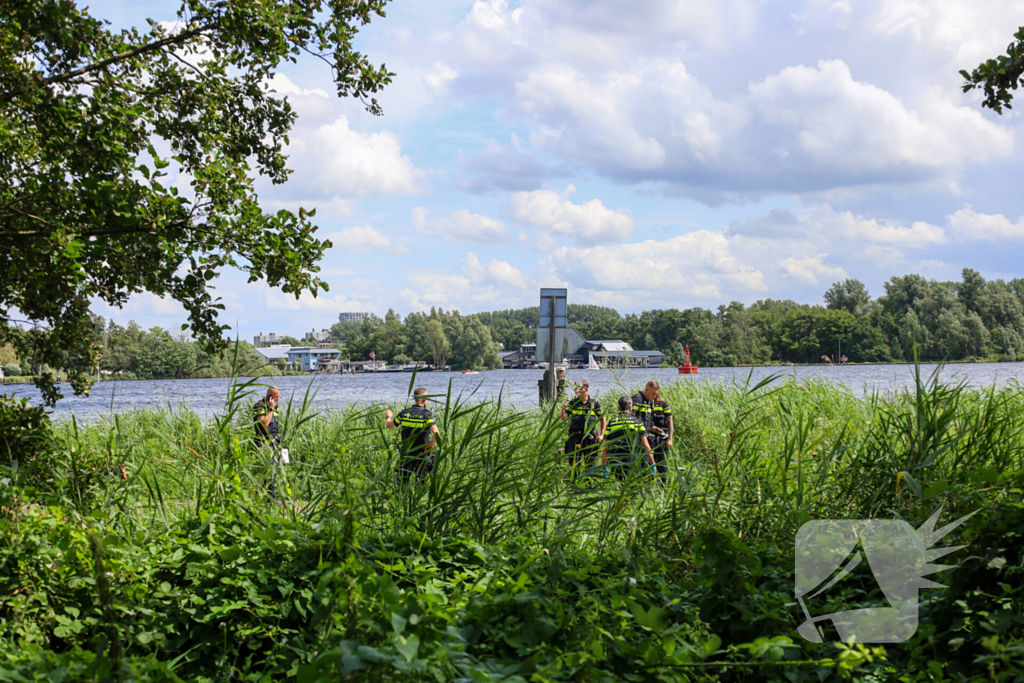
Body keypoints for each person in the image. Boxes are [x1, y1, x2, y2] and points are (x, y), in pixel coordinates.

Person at [385, 387, 440, 484]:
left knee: (402, 484)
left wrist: (388, 416)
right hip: (422, 455)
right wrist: (431, 444)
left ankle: (401, 498)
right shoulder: (427, 415)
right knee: (420, 485)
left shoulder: (405, 413)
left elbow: (389, 425)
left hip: (406, 454)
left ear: (415, 398)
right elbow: (436, 434)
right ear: (425, 399)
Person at [601, 395, 654, 481]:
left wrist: (604, 466)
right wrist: (652, 463)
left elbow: (606, 448)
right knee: (635, 487)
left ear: (618, 408)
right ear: (630, 408)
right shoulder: (637, 422)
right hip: (633, 460)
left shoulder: (612, 423)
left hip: (616, 461)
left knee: (621, 487)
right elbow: (645, 445)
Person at [631, 380, 674, 481]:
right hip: (637, 440)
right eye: (653, 393)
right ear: (646, 389)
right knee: (642, 467)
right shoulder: (637, 400)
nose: (655, 396)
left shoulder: (649, 402)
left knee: (652, 466)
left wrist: (656, 429)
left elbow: (648, 422)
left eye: (656, 394)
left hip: (646, 438)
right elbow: (630, 418)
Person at [559, 380, 606, 471]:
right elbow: (563, 418)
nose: (577, 391)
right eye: (575, 389)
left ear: (586, 389)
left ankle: (590, 483)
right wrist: (562, 409)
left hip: (590, 439)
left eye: (579, 389)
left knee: (591, 465)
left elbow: (603, 419)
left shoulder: (594, 403)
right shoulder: (573, 403)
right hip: (575, 439)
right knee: (574, 466)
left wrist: (602, 435)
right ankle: (574, 483)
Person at [253, 386, 282, 498]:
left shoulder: (276, 407)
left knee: (274, 472)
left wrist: (278, 443)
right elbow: (264, 424)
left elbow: (274, 426)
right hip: (263, 444)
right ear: (269, 395)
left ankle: (270, 498)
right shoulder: (259, 406)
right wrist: (270, 409)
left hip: (273, 443)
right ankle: (269, 500)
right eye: (276, 396)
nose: (278, 399)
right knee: (267, 472)